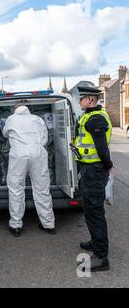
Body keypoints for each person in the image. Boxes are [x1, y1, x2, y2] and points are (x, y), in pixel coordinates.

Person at [74, 86, 113, 272]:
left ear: (90, 100)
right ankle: (95, 242)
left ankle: (101, 257)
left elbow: (102, 147)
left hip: (95, 171)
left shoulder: (95, 118)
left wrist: (107, 164)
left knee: (95, 212)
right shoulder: (88, 116)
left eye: (81, 98)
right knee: (89, 210)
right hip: (89, 170)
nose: (79, 101)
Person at [3, 103, 55, 237]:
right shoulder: (37, 119)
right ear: (27, 109)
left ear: (16, 109)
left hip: (19, 153)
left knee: (16, 188)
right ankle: (48, 224)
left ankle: (16, 225)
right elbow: (45, 138)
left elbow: (5, 134)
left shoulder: (11, 119)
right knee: (42, 188)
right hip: (37, 152)